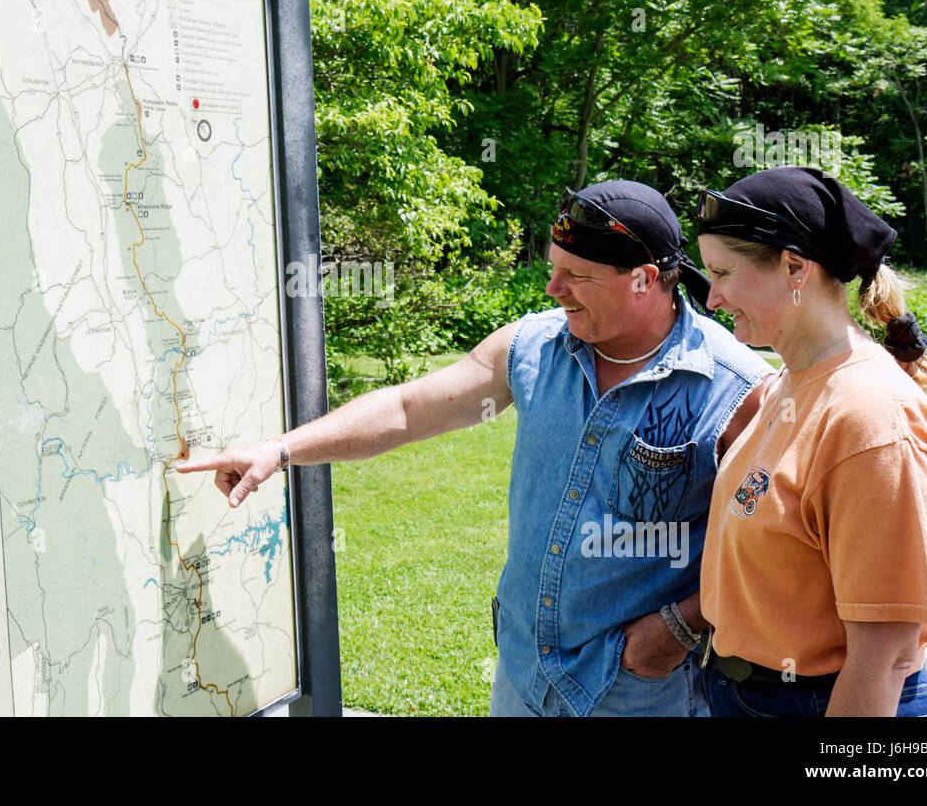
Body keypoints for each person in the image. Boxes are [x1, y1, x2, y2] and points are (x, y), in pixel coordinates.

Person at [177, 180, 772, 716]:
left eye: (577, 276)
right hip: (521, 675)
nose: (552, 288)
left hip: (638, 696)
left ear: (644, 279)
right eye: (552, 267)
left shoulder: (736, 389)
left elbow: (774, 553)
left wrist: (672, 630)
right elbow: (408, 409)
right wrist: (281, 450)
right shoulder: (534, 346)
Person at [694, 165, 927, 717]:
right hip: (756, 696)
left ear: (795, 267)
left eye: (723, 272)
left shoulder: (870, 417)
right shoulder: (792, 382)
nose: (712, 298)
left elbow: (885, 657)